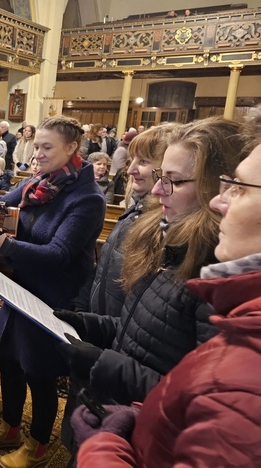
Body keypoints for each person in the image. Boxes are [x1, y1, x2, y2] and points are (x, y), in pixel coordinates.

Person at [55, 117, 246, 458]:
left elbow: (189, 397)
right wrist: (93, 325)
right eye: (161, 177)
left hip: (143, 436)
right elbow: (146, 330)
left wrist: (105, 364)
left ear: (218, 190)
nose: (157, 191)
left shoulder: (214, 274)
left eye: (173, 181)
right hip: (115, 414)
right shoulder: (167, 241)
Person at [0, 116, 105, 468]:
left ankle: (38, 445)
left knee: (39, 373)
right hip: (17, 289)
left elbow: (60, 254)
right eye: (37, 146)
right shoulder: (40, 182)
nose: (37, 154)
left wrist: (5, 247)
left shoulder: (87, 198)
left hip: (52, 297)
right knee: (10, 363)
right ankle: (11, 427)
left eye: (47, 148)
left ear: (72, 148)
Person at [74, 125, 174, 316]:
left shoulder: (164, 224)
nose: (131, 170)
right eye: (132, 160)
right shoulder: (134, 211)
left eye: (143, 161)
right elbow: (103, 269)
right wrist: (82, 306)